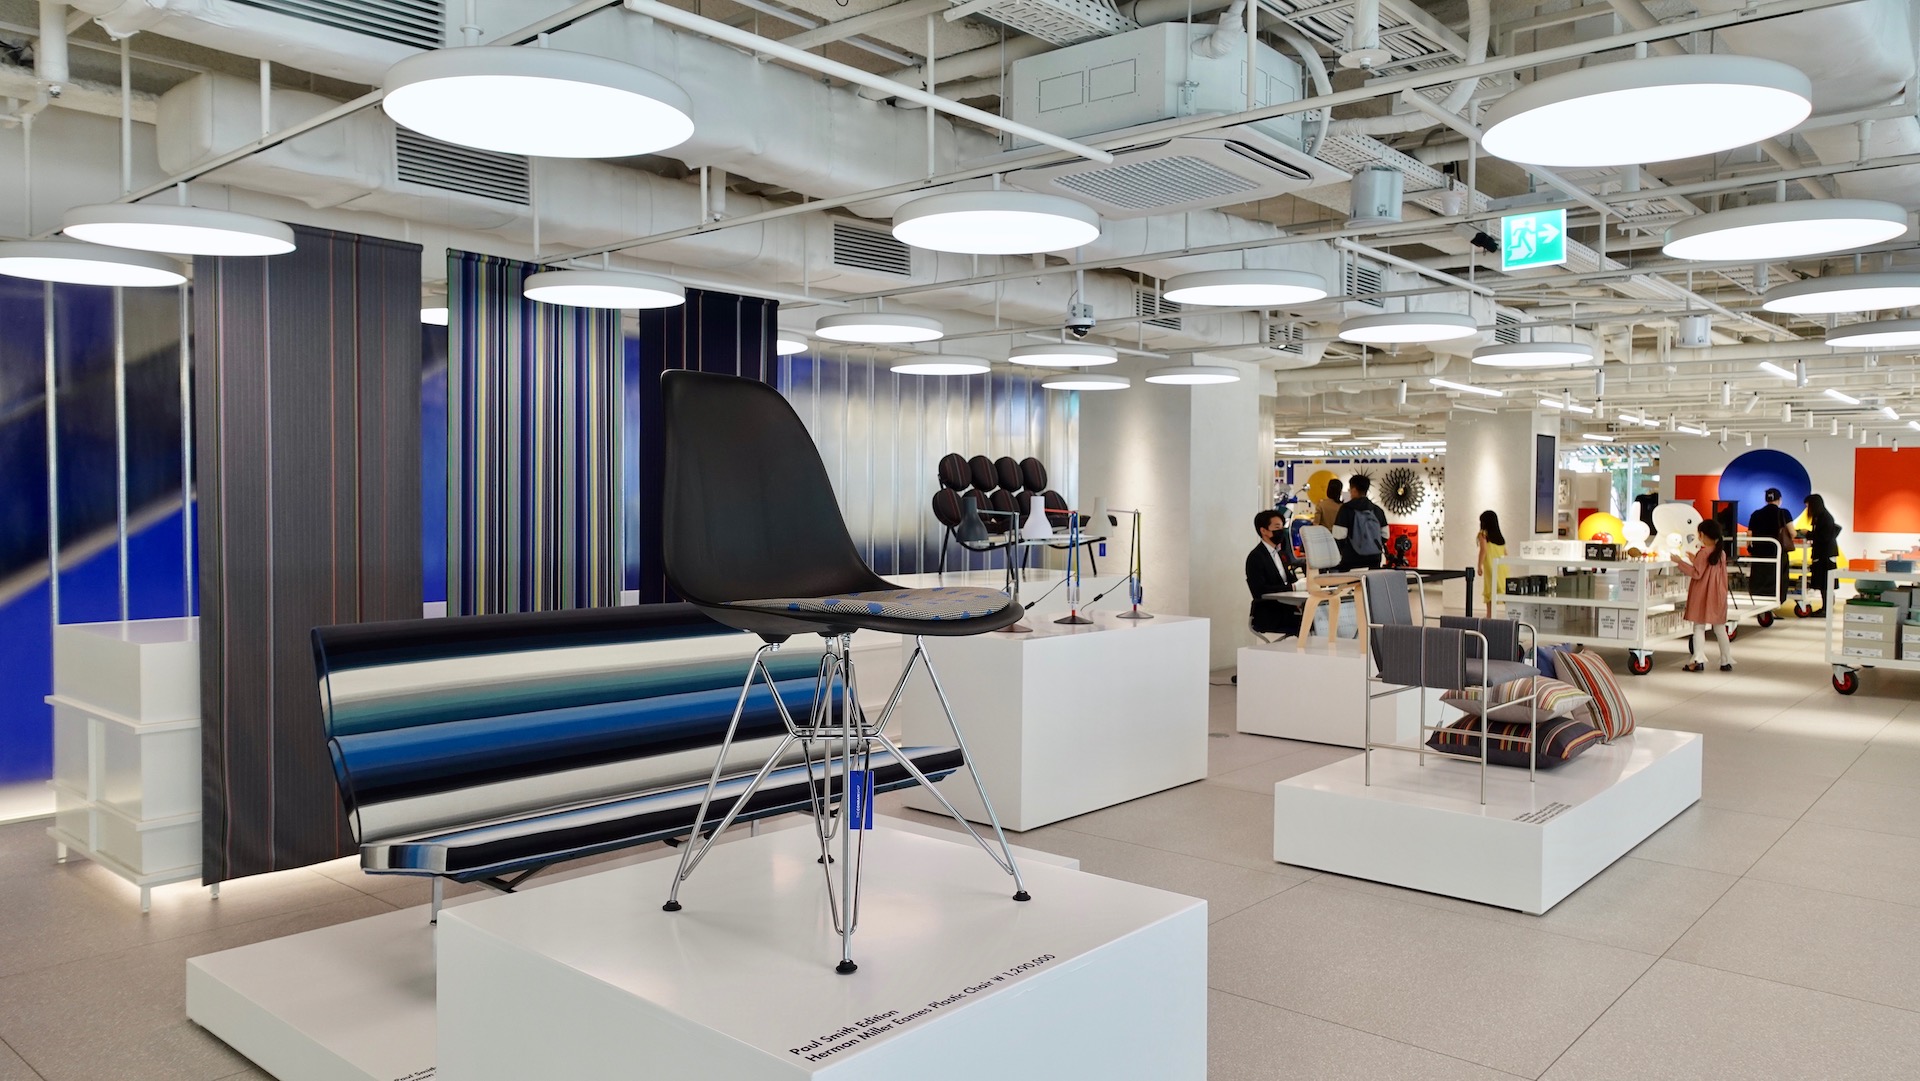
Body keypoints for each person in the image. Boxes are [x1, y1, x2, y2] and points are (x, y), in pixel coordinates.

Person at [1673, 519, 1733, 672]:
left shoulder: (1703, 552)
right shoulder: (1721, 553)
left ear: (1702, 535)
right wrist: (1695, 560)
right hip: (1718, 594)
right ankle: (1726, 660)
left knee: (1699, 627)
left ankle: (1698, 660)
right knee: (1720, 629)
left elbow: (1696, 573)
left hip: (1703, 594)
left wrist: (1680, 562)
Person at [1246, 510, 1302, 638]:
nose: (1281, 531)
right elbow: (1259, 590)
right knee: (1309, 623)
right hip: (1269, 613)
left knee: (1317, 618)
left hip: (1289, 609)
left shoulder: (1282, 554)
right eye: (1277, 528)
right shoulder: (1256, 557)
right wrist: (1292, 588)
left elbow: (1291, 579)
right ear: (1264, 531)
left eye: (1282, 527)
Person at [1745, 488, 1795, 603]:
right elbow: (1792, 532)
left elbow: (1749, 534)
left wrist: (1750, 548)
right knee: (1777, 578)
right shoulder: (1783, 513)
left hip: (1759, 552)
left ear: (1766, 500)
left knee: (1760, 578)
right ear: (1780, 499)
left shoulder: (1756, 514)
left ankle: (1759, 600)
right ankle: (1776, 601)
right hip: (1777, 552)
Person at [1334, 474, 1388, 571]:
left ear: (1354, 489)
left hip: (1351, 559)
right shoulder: (1377, 510)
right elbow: (1385, 535)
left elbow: (1339, 536)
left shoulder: (1346, 509)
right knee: (1372, 580)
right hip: (1374, 558)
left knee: (1346, 580)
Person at [1805, 493, 1842, 614]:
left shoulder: (1824, 518)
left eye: (1808, 506)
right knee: (1824, 583)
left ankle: (1825, 609)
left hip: (1824, 555)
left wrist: (1808, 534)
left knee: (1825, 583)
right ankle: (1826, 607)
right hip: (1825, 554)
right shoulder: (1822, 517)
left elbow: (1823, 536)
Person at [1476, 510, 1507, 610]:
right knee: (1502, 588)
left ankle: (1489, 614)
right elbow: (1505, 552)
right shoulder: (1500, 537)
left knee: (1490, 588)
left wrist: (1479, 565)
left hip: (1491, 565)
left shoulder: (1483, 534)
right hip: (1502, 567)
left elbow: (1483, 550)